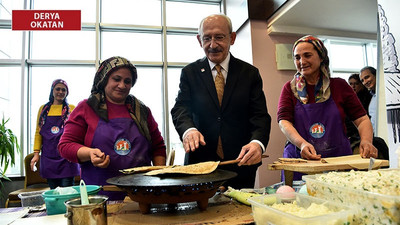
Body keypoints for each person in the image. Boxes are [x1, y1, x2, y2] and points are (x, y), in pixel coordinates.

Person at [171, 14, 271, 189]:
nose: (212, 45)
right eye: (207, 38)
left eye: (219, 37)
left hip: (241, 163)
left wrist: (257, 143)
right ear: (199, 40)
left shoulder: (250, 74)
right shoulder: (189, 73)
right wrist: (188, 130)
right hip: (200, 164)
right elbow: (181, 108)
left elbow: (260, 116)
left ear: (232, 38)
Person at [58, 56, 166, 200]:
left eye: (127, 81)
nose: (122, 85)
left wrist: (159, 177)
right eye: (117, 79)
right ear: (104, 79)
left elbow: (158, 147)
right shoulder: (86, 108)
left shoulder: (141, 111)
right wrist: (89, 153)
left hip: (141, 196)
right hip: (99, 196)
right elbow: (65, 146)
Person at [277, 35, 378, 181]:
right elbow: (284, 122)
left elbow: (362, 119)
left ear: (321, 57)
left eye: (307, 55)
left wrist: (367, 141)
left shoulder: (339, 86)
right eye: (297, 57)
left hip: (338, 160)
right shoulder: (289, 89)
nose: (302, 62)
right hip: (300, 160)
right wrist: (302, 143)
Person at [30, 79, 80, 189]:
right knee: (54, 193)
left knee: (67, 192)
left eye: (64, 90)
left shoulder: (71, 108)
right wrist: (36, 153)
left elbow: (77, 131)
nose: (60, 92)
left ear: (67, 92)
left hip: (66, 157)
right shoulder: (43, 109)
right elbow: (38, 133)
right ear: (52, 90)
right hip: (49, 156)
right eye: (58, 89)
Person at [346, 73, 372, 150]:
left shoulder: (368, 98)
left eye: (356, 84)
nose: (353, 86)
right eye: (350, 84)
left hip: (363, 134)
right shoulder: (348, 99)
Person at [360, 66, 377, 133]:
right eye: (362, 80)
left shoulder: (387, 94)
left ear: (376, 75)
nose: (365, 82)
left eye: (367, 77)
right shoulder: (373, 98)